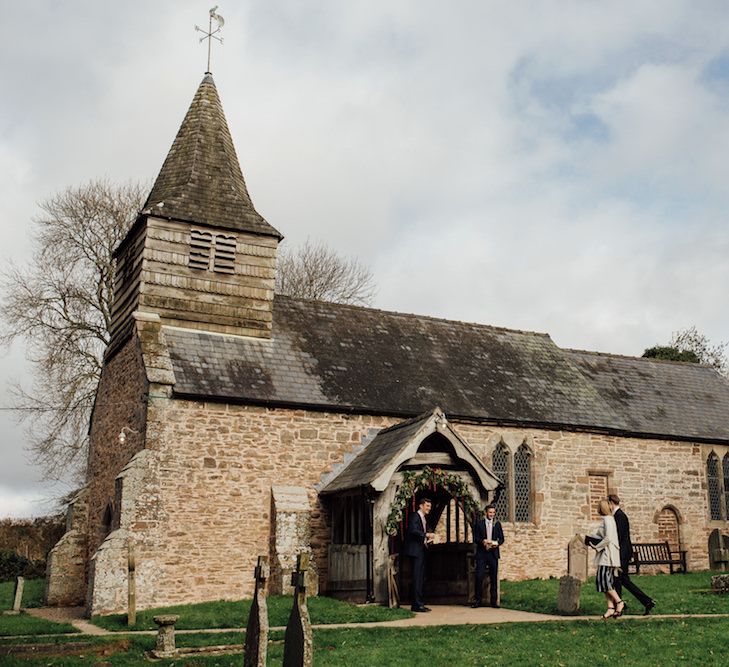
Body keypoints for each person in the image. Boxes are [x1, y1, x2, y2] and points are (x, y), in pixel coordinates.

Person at [608, 494, 656, 615]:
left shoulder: (620, 516)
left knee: (621, 579)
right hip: (622, 553)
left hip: (622, 554)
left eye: (608, 504)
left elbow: (618, 537)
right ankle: (621, 605)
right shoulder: (618, 516)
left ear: (611, 503)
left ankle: (645, 601)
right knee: (618, 580)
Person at [585, 499, 625, 619]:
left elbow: (608, 539)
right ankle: (610, 608)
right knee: (604, 582)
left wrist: (596, 546)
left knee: (604, 581)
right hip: (605, 554)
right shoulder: (608, 520)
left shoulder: (608, 520)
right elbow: (602, 536)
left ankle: (619, 602)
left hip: (608, 556)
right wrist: (591, 539)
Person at [404, 497, 435, 612]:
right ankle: (416, 605)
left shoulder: (423, 518)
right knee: (417, 577)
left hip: (421, 551)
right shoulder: (414, 516)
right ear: (421, 506)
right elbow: (412, 530)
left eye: (430, 507)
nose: (429, 509)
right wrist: (426, 535)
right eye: (427, 506)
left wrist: (427, 540)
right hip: (415, 552)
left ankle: (419, 603)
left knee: (420, 578)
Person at [472, 504, 504, 608]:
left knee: (493, 577)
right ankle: (478, 601)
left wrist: (495, 543)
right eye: (490, 512)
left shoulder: (497, 524)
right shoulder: (479, 524)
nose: (492, 514)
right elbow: (475, 538)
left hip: (493, 554)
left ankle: (493, 602)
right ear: (486, 512)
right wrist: (483, 541)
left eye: (493, 513)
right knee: (479, 576)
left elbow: (502, 539)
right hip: (482, 553)